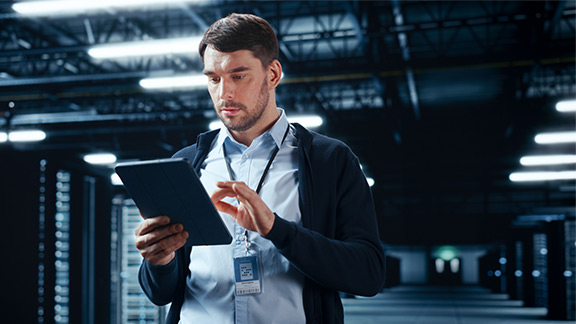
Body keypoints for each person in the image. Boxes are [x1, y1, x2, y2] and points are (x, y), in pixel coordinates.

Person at [134, 13, 386, 324]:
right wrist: (160, 261)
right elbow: (161, 293)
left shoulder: (329, 160)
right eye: (214, 78)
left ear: (273, 74)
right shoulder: (185, 165)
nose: (224, 93)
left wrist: (276, 229)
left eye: (238, 76)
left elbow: (369, 274)